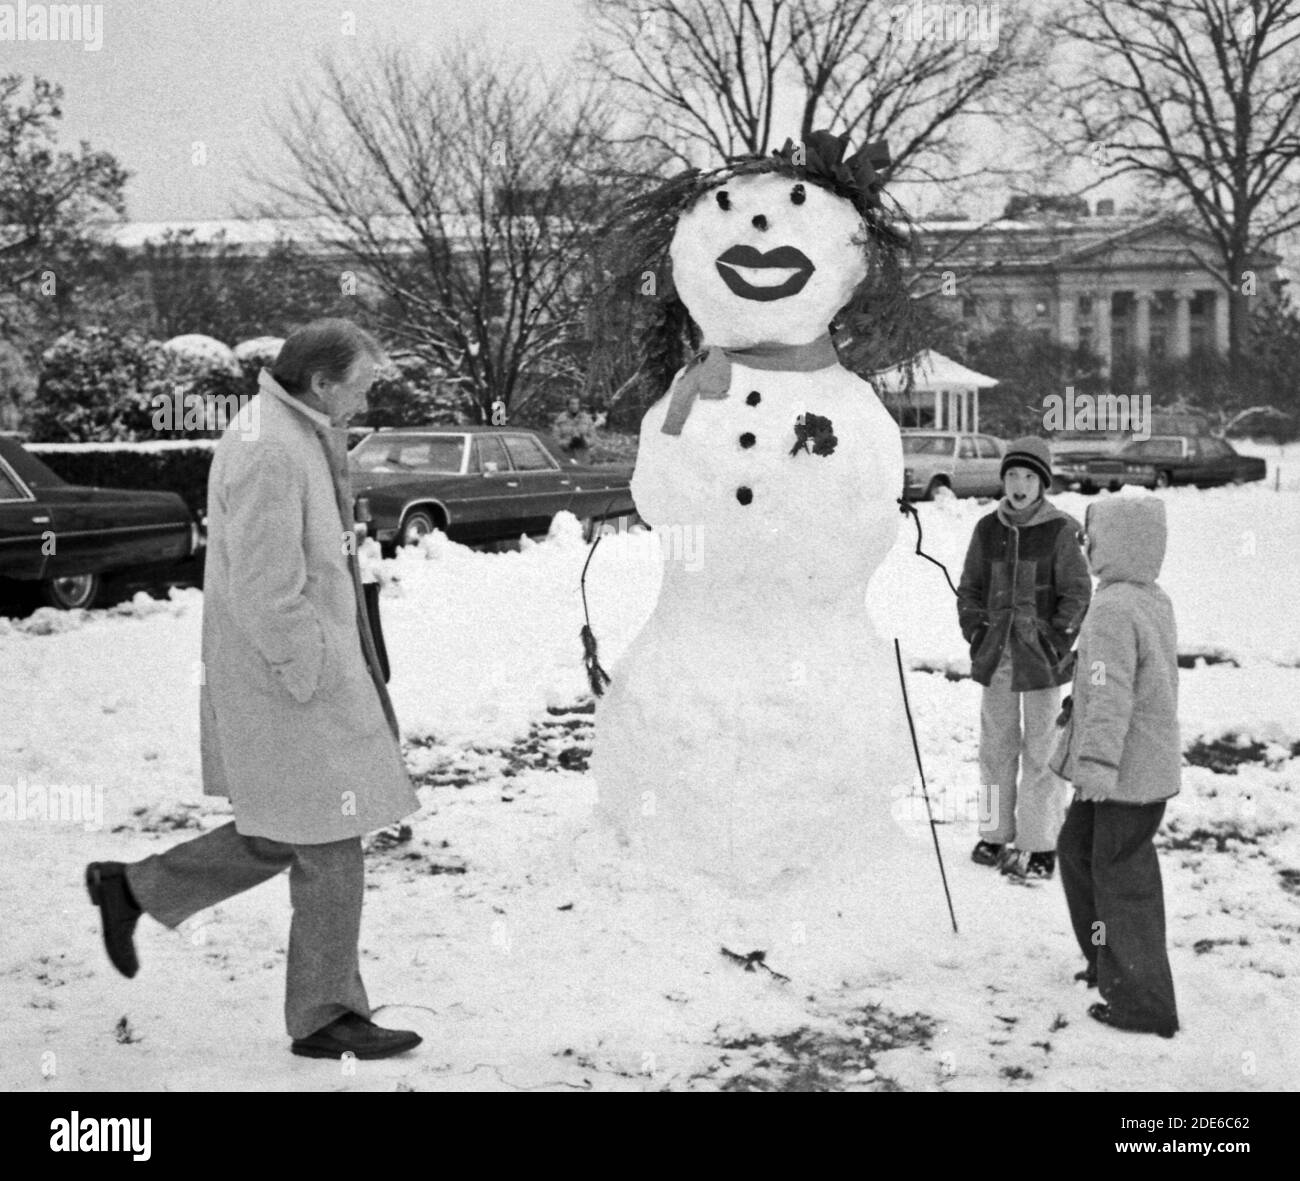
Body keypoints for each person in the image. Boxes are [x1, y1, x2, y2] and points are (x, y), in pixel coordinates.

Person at [85, 319, 423, 1060]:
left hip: (293, 675)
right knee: (331, 840)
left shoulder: (291, 428)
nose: (366, 399)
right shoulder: (271, 446)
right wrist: (316, 674)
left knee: (284, 828)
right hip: (290, 680)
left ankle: (135, 888)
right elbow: (269, 590)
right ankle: (326, 1012)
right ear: (323, 382)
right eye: (361, 385)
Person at [1051, 496, 1180, 1037]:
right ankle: (1107, 960)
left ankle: (1143, 1002)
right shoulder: (1147, 598)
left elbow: (1112, 697)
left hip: (1121, 772)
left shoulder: (1114, 608)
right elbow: (1115, 681)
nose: (1086, 546)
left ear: (1119, 542)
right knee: (1079, 853)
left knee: (1121, 878)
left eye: (1093, 536)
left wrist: (1097, 762)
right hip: (1133, 766)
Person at [957, 436, 1091, 880]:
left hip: (1042, 663)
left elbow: (1077, 594)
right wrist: (977, 632)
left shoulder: (1061, 530)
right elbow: (970, 589)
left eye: (1028, 476)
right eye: (1012, 475)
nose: (1018, 484)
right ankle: (994, 833)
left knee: (1042, 751)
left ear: (1042, 482)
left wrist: (1056, 641)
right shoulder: (986, 530)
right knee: (995, 750)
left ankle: (1039, 842)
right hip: (997, 658)